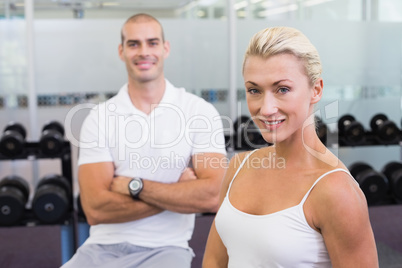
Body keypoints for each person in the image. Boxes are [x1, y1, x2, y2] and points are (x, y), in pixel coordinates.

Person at [202, 26, 379, 267]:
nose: (266, 108)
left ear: (316, 90)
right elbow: (214, 260)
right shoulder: (238, 167)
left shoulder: (336, 191)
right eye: (254, 90)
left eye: (282, 89)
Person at [62, 13, 227, 268]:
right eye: (133, 44)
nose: (143, 51)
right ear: (121, 51)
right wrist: (176, 192)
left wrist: (133, 186)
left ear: (165, 48)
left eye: (152, 42)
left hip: (166, 250)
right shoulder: (100, 117)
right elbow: (95, 209)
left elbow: (213, 196)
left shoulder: (199, 112)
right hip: (100, 248)